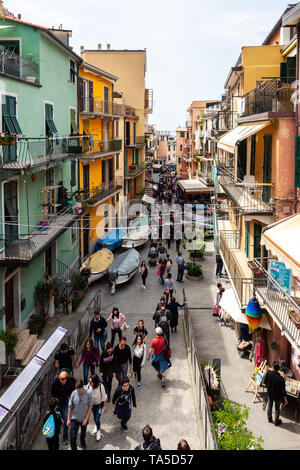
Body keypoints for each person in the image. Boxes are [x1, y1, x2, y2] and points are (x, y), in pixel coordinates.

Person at [51, 370, 76, 444]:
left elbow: (74, 388)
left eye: (65, 378)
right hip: (58, 402)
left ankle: (65, 436)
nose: (64, 380)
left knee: (66, 418)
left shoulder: (71, 379)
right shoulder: (54, 382)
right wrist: (56, 400)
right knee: (59, 418)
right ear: (59, 378)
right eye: (62, 379)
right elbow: (52, 393)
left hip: (66, 401)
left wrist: (70, 396)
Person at [67, 379, 93, 451]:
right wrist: (68, 418)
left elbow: (90, 406)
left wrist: (86, 419)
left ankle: (83, 443)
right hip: (74, 418)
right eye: (77, 389)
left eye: (81, 389)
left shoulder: (88, 393)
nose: (79, 391)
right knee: (72, 438)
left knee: (83, 433)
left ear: (83, 387)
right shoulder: (73, 393)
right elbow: (70, 406)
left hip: (84, 418)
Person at [264, 362, 288, 426]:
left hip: (270, 394)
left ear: (273, 367)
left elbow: (265, 382)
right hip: (278, 396)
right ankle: (276, 422)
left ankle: (269, 419)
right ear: (279, 369)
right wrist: (285, 399)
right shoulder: (281, 379)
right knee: (277, 408)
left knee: (270, 406)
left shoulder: (268, 373)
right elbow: (283, 391)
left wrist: (269, 387)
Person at [87, 374, 107, 442]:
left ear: (95, 382)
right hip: (92, 405)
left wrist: (104, 406)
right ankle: (96, 424)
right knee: (95, 417)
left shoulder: (101, 386)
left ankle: (98, 431)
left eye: (90, 382)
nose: (89, 383)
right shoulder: (88, 386)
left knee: (97, 418)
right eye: (89, 381)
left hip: (99, 405)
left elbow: (104, 397)